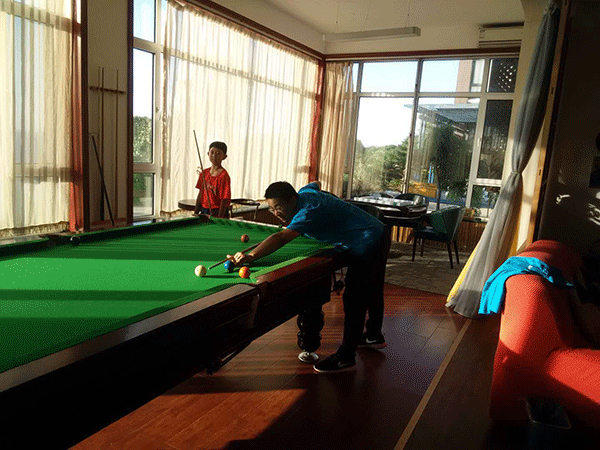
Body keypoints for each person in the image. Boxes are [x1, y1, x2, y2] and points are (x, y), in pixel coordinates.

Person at [228, 181, 391, 373]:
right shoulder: (305, 192)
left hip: (368, 240)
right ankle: (373, 335)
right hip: (378, 232)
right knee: (373, 288)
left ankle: (346, 356)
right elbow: (316, 183)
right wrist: (333, 207)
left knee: (355, 298)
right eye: (272, 208)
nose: (276, 213)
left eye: (279, 207)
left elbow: (280, 238)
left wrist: (251, 256)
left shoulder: (307, 212)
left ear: (292, 199)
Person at [194, 141, 231, 217]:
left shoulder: (224, 176)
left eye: (218, 153)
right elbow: (200, 194)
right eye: (212, 152)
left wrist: (220, 218)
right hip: (204, 209)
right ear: (208, 154)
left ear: (224, 157)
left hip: (218, 211)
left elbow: (224, 199)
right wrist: (196, 212)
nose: (214, 156)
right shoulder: (204, 173)